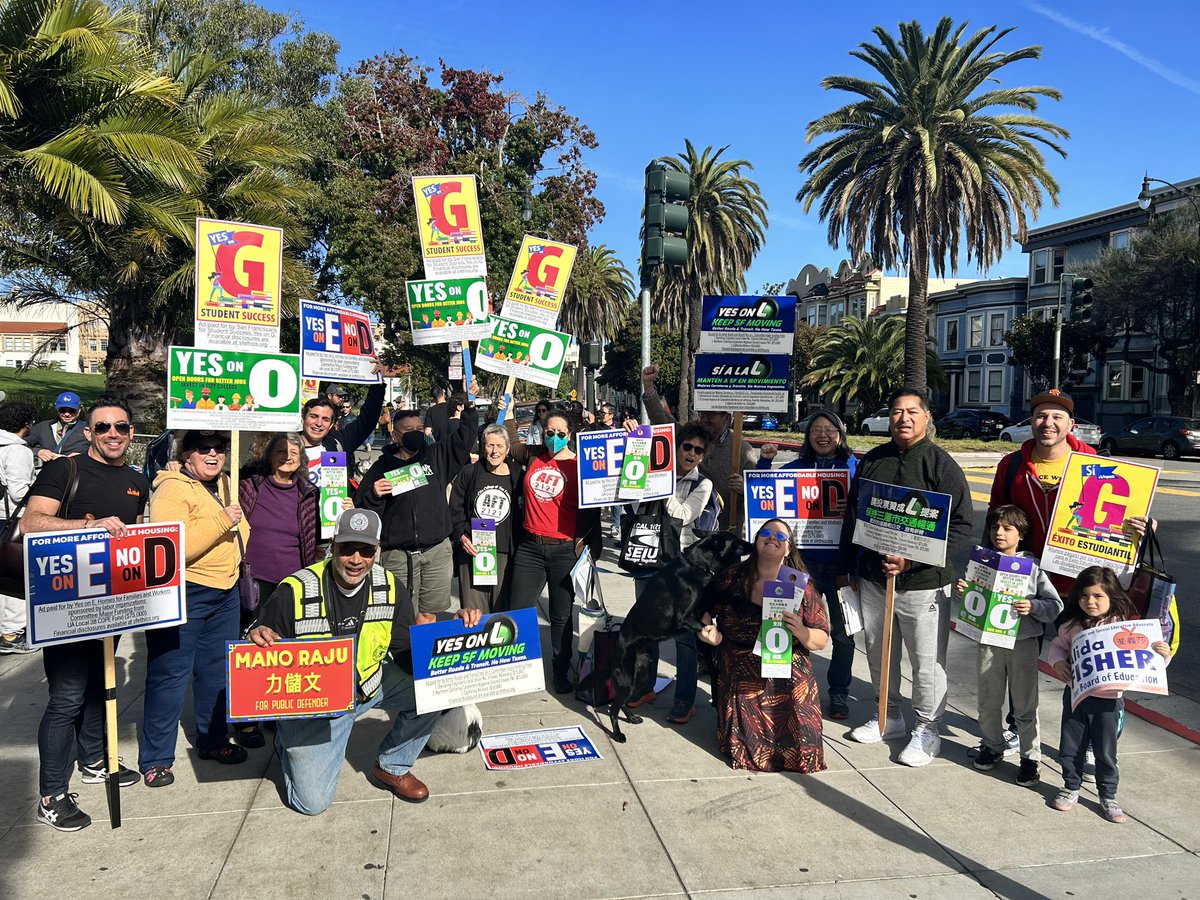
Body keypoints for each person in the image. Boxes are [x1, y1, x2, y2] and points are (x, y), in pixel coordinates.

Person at [247, 509, 482, 815]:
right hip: (316, 707)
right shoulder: (295, 589)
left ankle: (393, 766)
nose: (356, 559)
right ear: (333, 546)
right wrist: (257, 634)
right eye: (347, 548)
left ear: (377, 551)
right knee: (311, 804)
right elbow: (257, 650)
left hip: (367, 686)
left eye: (366, 550)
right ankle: (286, 740)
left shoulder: (390, 587)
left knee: (436, 687)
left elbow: (410, 653)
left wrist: (457, 631)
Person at [22, 396, 147, 832]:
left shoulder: (136, 479)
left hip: (111, 603)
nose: (114, 434)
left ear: (131, 433)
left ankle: (94, 759)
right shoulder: (65, 468)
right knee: (67, 698)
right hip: (64, 604)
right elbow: (31, 523)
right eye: (104, 427)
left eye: (122, 427)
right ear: (89, 432)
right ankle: (52, 794)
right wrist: (88, 526)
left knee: (102, 684)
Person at [838, 386, 974, 767]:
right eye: (897, 412)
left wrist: (912, 563)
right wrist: (846, 568)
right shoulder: (873, 461)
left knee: (926, 662)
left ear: (927, 418)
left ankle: (928, 728)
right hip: (872, 579)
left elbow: (961, 526)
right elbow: (854, 517)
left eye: (913, 411)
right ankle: (888, 715)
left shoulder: (941, 465)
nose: (904, 419)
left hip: (924, 585)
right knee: (880, 653)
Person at [139, 431, 252, 787]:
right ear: (187, 454)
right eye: (204, 449)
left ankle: (213, 740)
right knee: (169, 675)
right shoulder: (172, 487)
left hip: (225, 591)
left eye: (220, 448)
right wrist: (222, 521)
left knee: (216, 673)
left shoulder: (227, 483)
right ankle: (156, 758)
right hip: (184, 591)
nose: (214, 455)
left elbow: (240, 527)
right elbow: (169, 546)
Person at [697, 518, 829, 773]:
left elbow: (821, 638)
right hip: (738, 662)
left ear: (789, 549)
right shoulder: (732, 577)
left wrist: (802, 632)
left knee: (802, 731)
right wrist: (708, 632)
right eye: (766, 533)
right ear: (756, 541)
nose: (773, 538)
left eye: (781, 537)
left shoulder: (801, 585)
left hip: (787, 662)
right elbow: (702, 608)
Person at [1048, 566, 1172, 823]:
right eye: (1084, 596)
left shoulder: (1125, 627)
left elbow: (1145, 659)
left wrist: (1162, 654)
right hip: (1076, 696)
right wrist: (1058, 662)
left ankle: (1108, 795)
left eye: (1097, 596)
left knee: (1106, 751)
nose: (1090, 602)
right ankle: (1071, 786)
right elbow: (1058, 647)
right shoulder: (1072, 625)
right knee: (1070, 747)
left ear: (1112, 597)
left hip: (1109, 701)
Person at [757, 410, 859, 719]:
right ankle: (780, 686)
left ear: (840, 434)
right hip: (802, 564)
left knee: (843, 634)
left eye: (829, 429)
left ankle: (839, 693)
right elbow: (766, 489)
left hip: (842, 566)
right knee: (783, 623)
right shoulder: (796, 467)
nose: (822, 435)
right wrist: (763, 462)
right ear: (808, 435)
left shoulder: (855, 467)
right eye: (816, 429)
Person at [956, 505, 1062, 786]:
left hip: (1022, 642)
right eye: (995, 528)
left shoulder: (1032, 567)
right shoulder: (982, 561)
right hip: (989, 641)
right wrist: (963, 592)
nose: (999, 533)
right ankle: (992, 745)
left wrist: (1033, 606)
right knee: (988, 700)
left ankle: (1030, 757)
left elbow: (1055, 606)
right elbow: (972, 603)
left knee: (1025, 703)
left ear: (1021, 535)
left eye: (1007, 528)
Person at [503, 403, 602, 694]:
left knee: (561, 615)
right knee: (518, 611)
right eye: (549, 432)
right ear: (542, 433)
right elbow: (512, 443)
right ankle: (518, 670)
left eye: (560, 432)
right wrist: (508, 411)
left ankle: (561, 669)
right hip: (530, 548)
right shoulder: (534, 455)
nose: (554, 437)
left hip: (565, 550)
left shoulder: (582, 464)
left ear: (570, 434)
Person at [356, 393, 479, 615]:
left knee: (428, 614)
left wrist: (469, 406)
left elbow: (464, 439)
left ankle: (422, 651)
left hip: (436, 552)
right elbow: (364, 515)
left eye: (419, 428)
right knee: (399, 615)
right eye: (409, 430)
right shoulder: (380, 468)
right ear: (395, 435)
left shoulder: (435, 456)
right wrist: (375, 495)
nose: (416, 433)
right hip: (397, 555)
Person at [237, 433, 321, 748]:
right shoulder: (250, 484)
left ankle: (274, 709)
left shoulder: (309, 492)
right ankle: (246, 719)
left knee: (283, 649)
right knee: (250, 648)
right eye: (282, 451)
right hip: (254, 579)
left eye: (295, 452)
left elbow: (321, 536)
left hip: (292, 583)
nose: (288, 456)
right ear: (270, 454)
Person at [629, 422, 714, 723]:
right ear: (676, 447)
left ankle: (684, 699)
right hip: (648, 558)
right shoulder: (652, 472)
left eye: (698, 450)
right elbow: (633, 503)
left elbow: (683, 514)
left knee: (683, 636)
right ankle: (643, 686)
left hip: (683, 570)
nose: (691, 453)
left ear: (703, 456)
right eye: (687, 446)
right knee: (645, 627)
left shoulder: (701, 485)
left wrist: (661, 484)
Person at [641, 364, 758, 529]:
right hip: (684, 531)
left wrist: (743, 489)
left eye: (711, 414)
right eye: (702, 413)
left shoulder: (743, 450)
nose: (705, 419)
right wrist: (648, 386)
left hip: (724, 533)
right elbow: (660, 419)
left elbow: (758, 493)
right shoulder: (688, 435)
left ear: (726, 418)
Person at [449, 424, 523, 612]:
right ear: (483, 448)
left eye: (499, 446)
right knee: (475, 614)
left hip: (505, 552)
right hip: (474, 550)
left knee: (502, 612)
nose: (494, 451)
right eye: (490, 445)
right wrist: (461, 536)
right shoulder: (469, 473)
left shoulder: (518, 476)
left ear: (507, 449)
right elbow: (454, 510)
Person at [0, 401, 37, 653]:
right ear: (25, 424)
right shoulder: (17, 451)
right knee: (16, 577)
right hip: (14, 519)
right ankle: (12, 634)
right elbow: (18, 491)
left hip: (1, 517)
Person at [26, 391, 88, 461]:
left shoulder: (88, 429)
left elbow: (99, 450)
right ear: (57, 409)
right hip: (49, 469)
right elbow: (22, 444)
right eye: (62, 410)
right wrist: (38, 452)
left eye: (72, 410)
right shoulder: (42, 427)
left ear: (79, 410)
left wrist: (84, 456)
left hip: (77, 469)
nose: (67, 414)